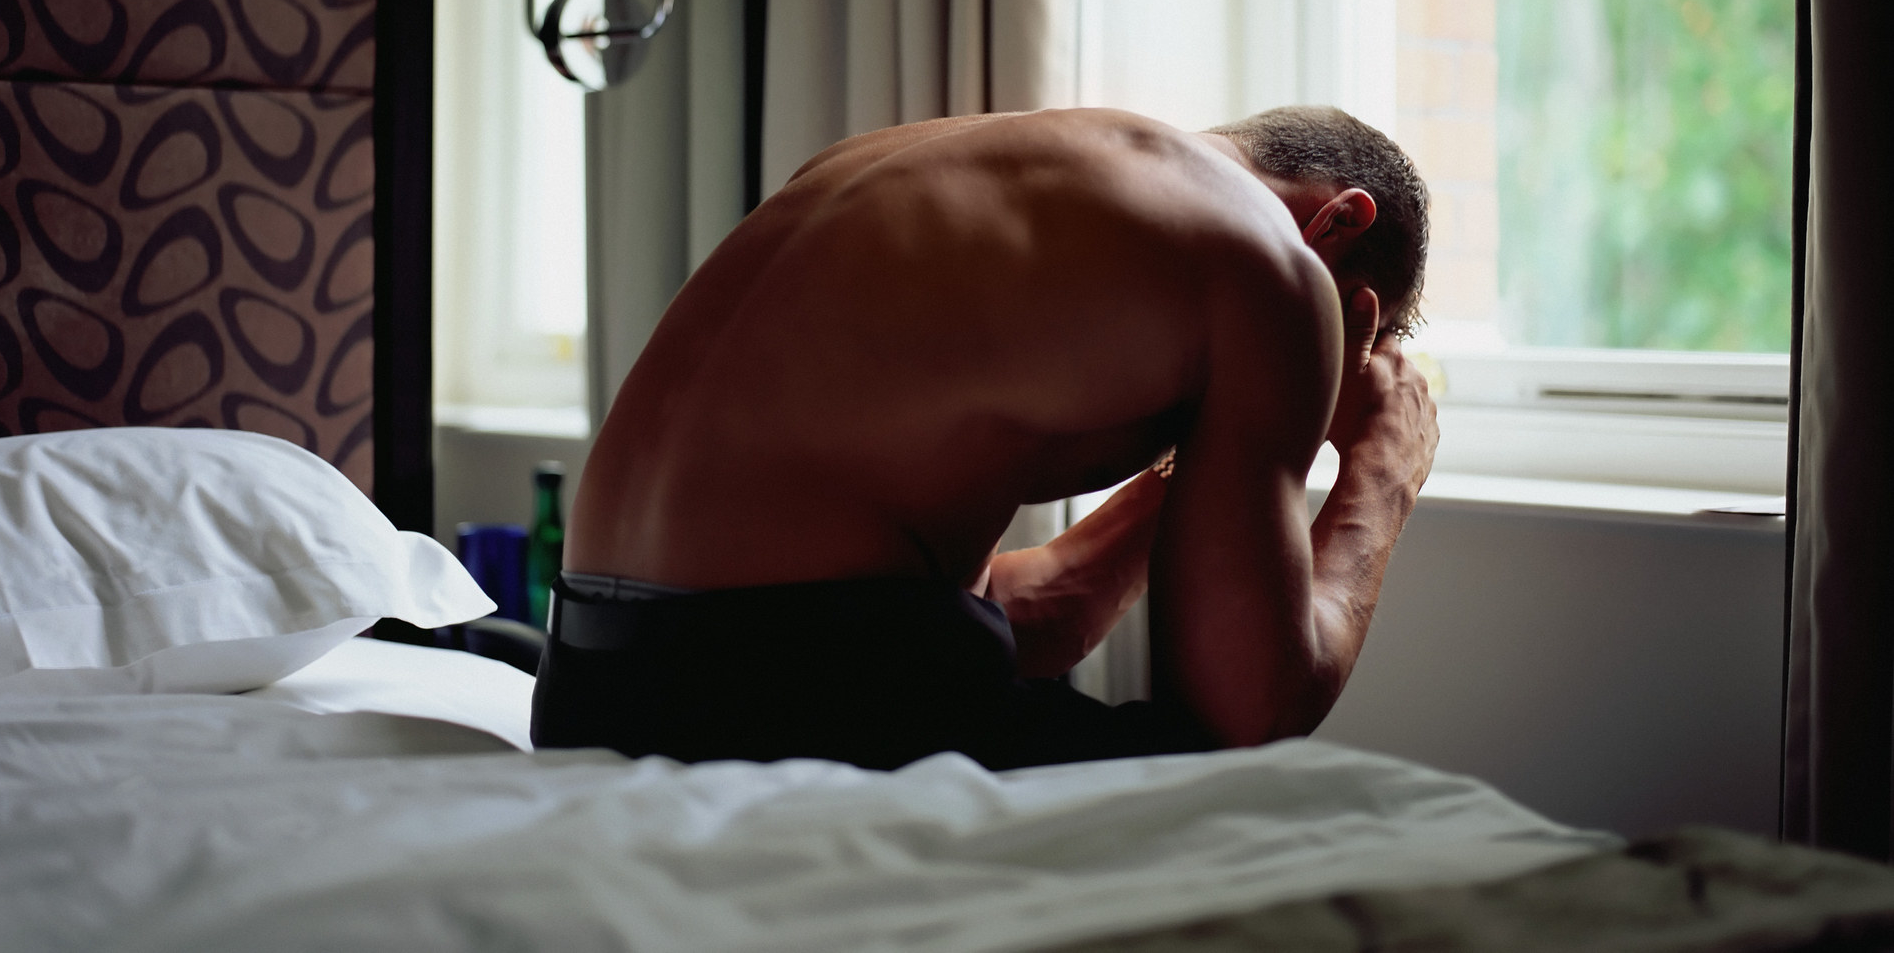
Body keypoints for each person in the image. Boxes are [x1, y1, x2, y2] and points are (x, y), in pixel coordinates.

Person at [532, 105, 1440, 770]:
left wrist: (1199, 463)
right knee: (1238, 792)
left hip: (589, 684)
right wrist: (1380, 467)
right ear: (1337, 221)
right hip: (778, 709)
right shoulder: (1270, 266)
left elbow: (996, 624)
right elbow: (1245, 716)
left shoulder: (930, 161)